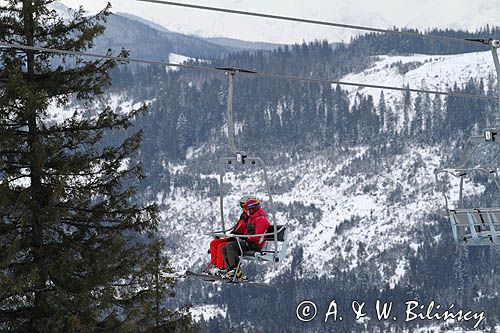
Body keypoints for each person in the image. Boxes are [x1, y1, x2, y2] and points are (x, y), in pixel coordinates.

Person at [222, 198, 270, 280]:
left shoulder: (261, 219)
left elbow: (258, 236)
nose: (246, 211)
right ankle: (231, 269)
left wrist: (246, 238)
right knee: (224, 248)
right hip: (249, 242)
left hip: (255, 245)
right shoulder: (252, 218)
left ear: (252, 209)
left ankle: (236, 271)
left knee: (231, 246)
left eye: (247, 209)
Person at [206, 196, 255, 276]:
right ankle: (214, 267)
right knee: (214, 243)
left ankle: (221, 269)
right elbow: (237, 228)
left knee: (221, 246)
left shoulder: (251, 217)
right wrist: (230, 235)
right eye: (241, 205)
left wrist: (235, 236)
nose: (243, 208)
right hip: (235, 237)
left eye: (244, 205)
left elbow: (247, 233)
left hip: (240, 240)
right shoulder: (244, 216)